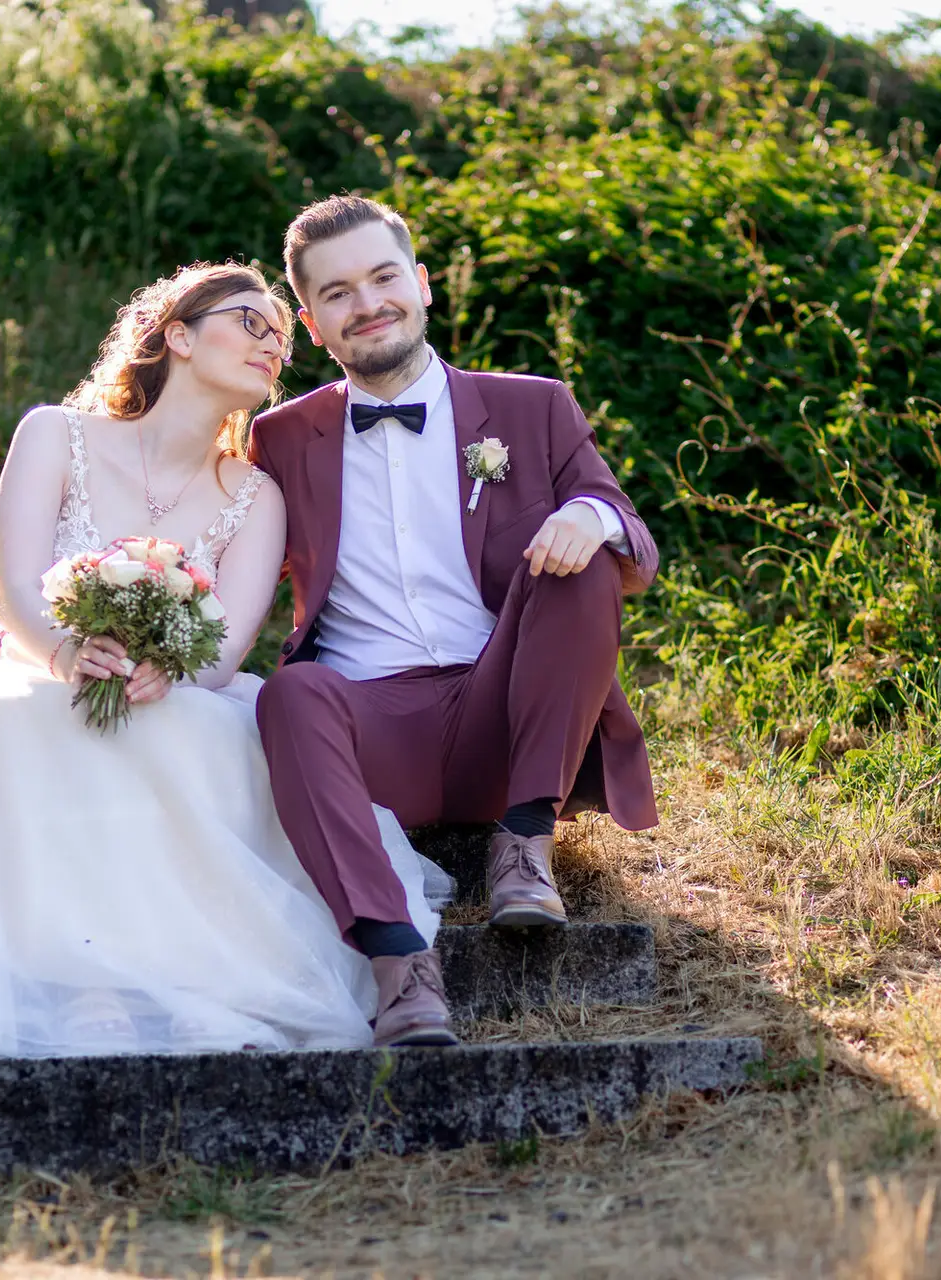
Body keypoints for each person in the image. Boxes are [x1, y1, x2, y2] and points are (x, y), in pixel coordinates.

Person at [0, 262, 449, 1057]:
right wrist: (68, 652)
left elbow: (224, 646)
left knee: (186, 729)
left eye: (282, 339)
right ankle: (78, 982)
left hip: (173, 691)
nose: (271, 347)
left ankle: (180, 979)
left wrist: (171, 671)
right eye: (251, 322)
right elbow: (15, 592)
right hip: (37, 666)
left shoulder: (257, 496)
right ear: (179, 334)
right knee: (11, 718)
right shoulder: (56, 434)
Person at [252, 196, 660, 1048]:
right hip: (375, 733)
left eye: (383, 277)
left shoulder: (532, 407)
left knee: (581, 554)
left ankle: (524, 846)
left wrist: (591, 517)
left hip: (509, 719)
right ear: (312, 323)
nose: (367, 304)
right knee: (288, 696)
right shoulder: (279, 439)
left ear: (423, 284)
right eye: (337, 294)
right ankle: (400, 968)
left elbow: (635, 539)